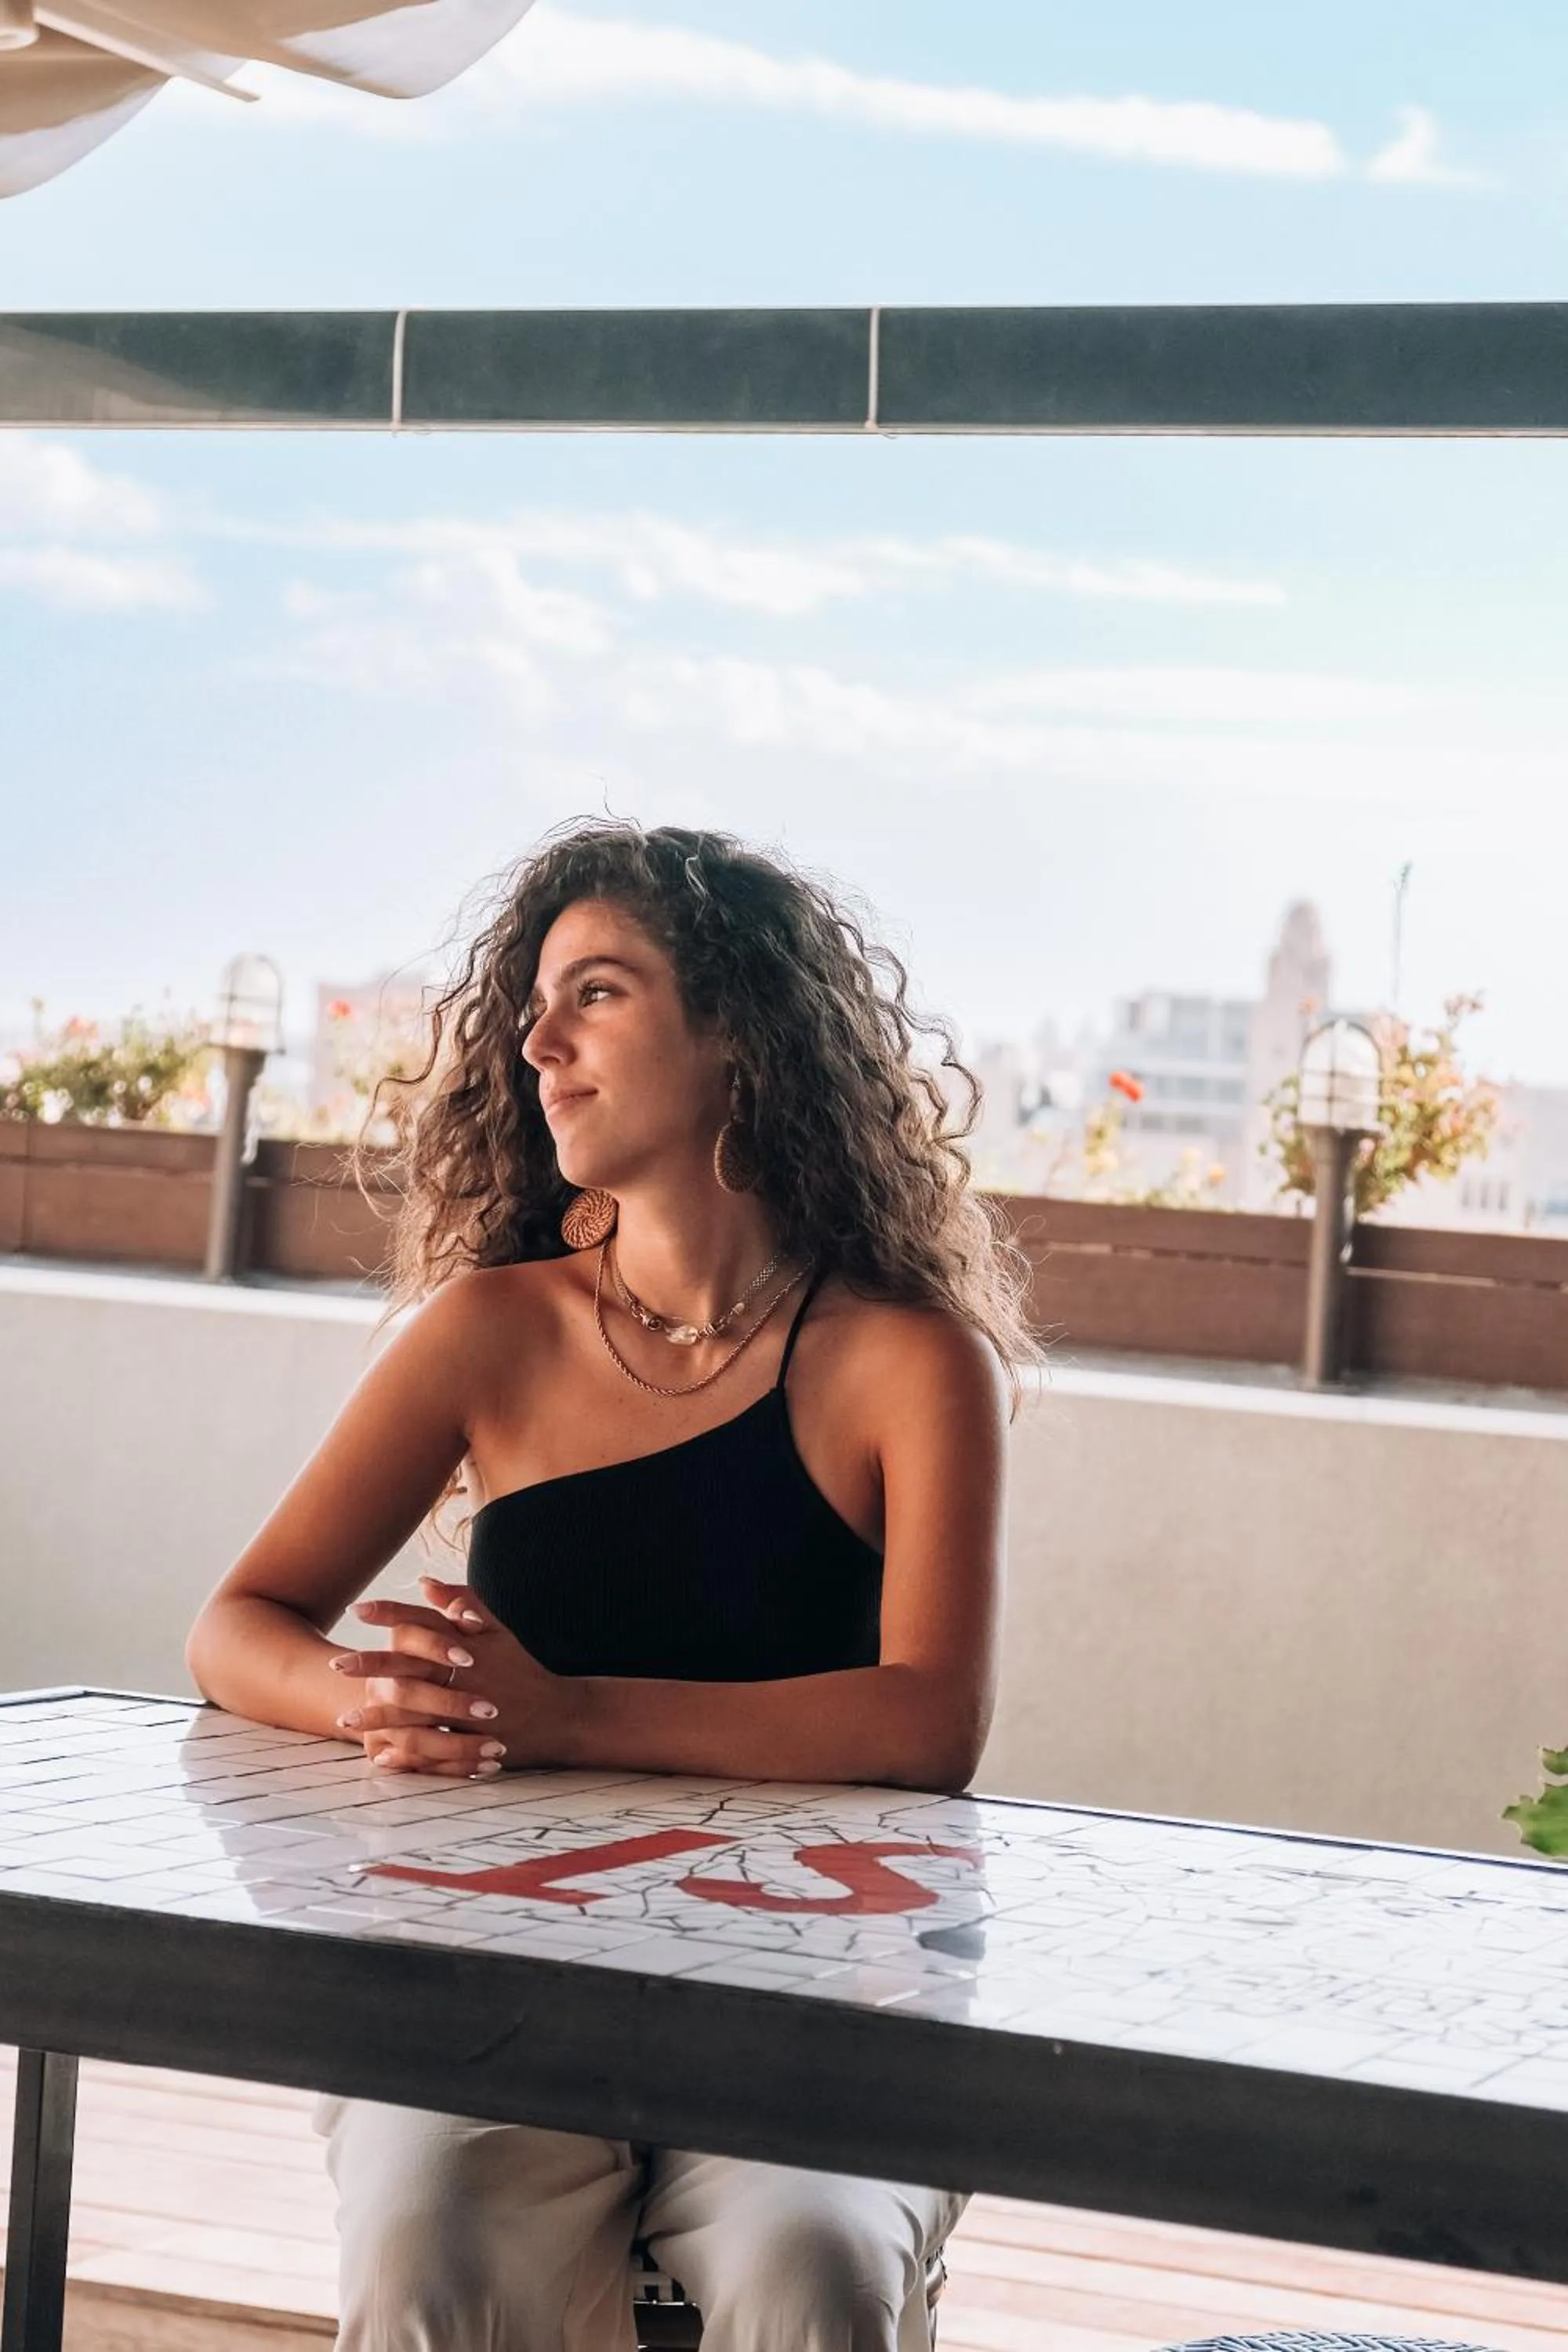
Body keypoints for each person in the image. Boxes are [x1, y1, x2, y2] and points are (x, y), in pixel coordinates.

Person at [185, 819, 1040, 2352]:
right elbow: (238, 1628)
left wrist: (568, 1715)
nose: (536, 1037)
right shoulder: (488, 1332)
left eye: (597, 992)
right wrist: (380, 1697)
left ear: (739, 1039)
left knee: (811, 2265)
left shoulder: (911, 1360)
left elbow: (926, 1726)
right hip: (495, 1946)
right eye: (532, 1000)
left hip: (822, 1965)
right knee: (427, 2234)